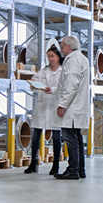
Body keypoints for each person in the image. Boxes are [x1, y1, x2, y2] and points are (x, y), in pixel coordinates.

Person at [54, 36, 90, 180]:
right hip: (77, 106)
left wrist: (62, 104)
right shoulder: (81, 59)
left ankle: (73, 170)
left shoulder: (73, 61)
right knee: (77, 138)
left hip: (72, 107)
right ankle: (80, 169)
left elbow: (71, 85)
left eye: (62, 47)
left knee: (70, 138)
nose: (61, 50)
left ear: (69, 47)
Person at [24, 43, 63, 175]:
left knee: (57, 137)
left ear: (58, 56)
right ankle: (33, 164)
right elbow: (34, 83)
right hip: (41, 107)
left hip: (55, 106)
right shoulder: (43, 71)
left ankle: (56, 165)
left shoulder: (63, 72)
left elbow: (64, 88)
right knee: (35, 137)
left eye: (52, 56)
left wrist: (51, 89)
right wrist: (34, 86)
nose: (50, 59)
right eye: (48, 57)